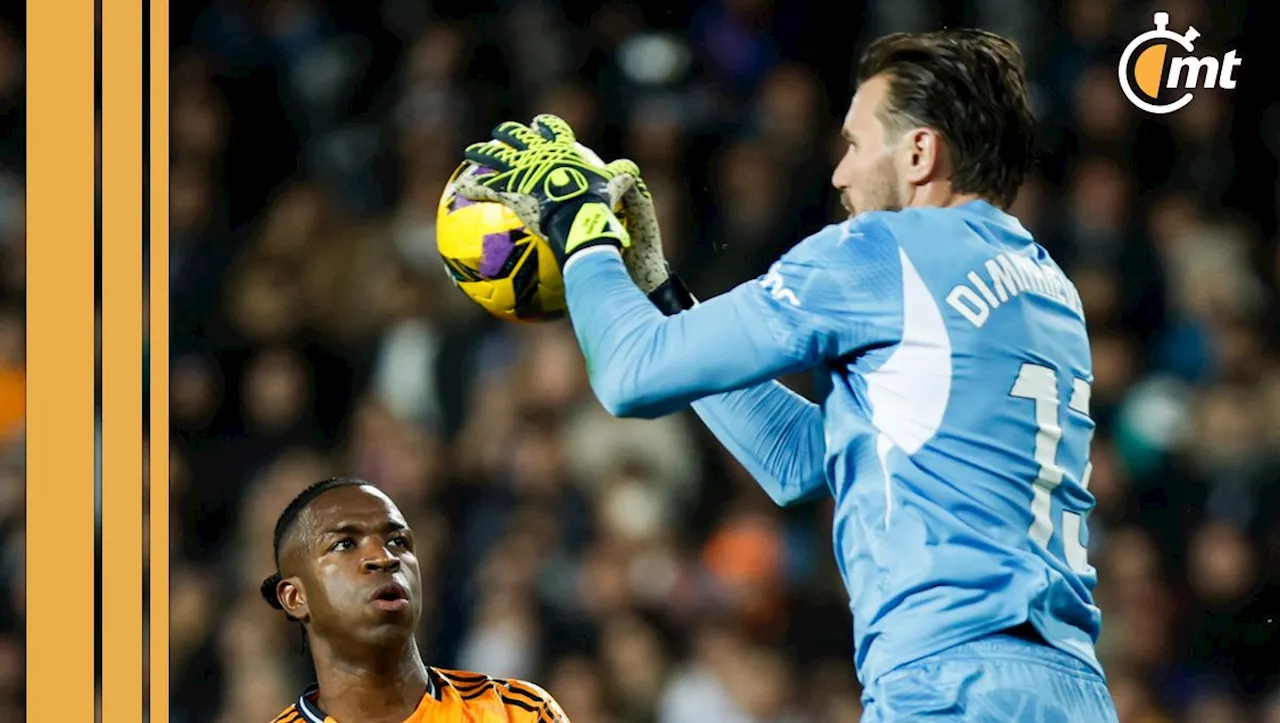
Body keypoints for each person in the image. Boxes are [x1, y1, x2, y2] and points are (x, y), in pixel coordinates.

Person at [454, 28, 1120, 722]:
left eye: (857, 144)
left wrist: (582, 227)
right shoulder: (1049, 289)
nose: (839, 174)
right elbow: (800, 458)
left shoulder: (880, 248)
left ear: (919, 152)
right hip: (1071, 689)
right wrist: (659, 291)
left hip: (947, 685)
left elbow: (630, 373)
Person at [261, 477, 571, 723]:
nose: (383, 558)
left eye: (398, 542)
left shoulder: (517, 714)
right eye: (345, 544)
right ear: (294, 597)